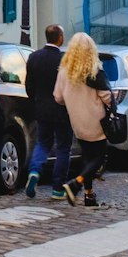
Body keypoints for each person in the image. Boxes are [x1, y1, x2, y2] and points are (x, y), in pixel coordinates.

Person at [54, 31, 113, 207]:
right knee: (99, 158)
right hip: (96, 120)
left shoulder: (64, 72)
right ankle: (76, 183)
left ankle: (89, 195)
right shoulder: (94, 71)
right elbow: (107, 97)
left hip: (77, 121)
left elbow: (58, 97)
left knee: (88, 157)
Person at [24, 24, 73, 201]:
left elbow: (29, 86)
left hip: (42, 108)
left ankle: (35, 171)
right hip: (62, 109)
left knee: (42, 143)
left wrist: (36, 101)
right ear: (60, 38)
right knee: (63, 148)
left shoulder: (33, 57)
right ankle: (58, 188)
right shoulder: (64, 60)